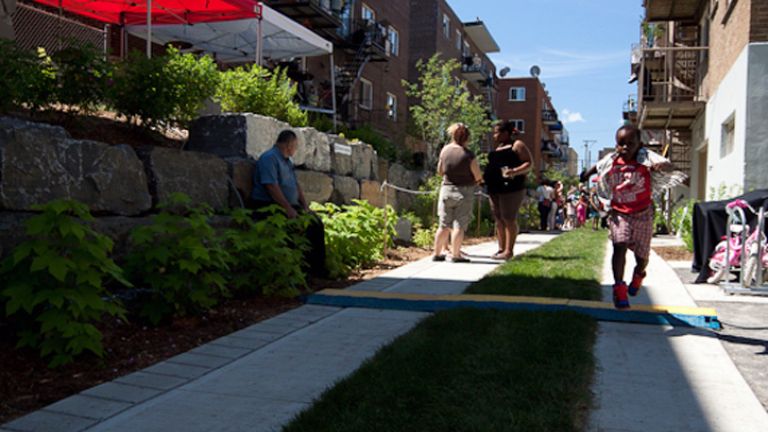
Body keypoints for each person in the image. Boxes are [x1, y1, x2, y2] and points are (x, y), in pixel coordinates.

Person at [580, 124, 672, 309]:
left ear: (640, 144)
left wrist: (661, 165)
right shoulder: (612, 160)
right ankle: (619, 288)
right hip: (619, 212)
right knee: (619, 245)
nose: (625, 148)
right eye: (621, 144)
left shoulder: (646, 156)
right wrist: (585, 175)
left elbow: (668, 165)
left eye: (630, 143)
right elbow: (597, 168)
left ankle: (639, 274)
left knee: (642, 257)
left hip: (643, 213)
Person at [251, 130, 327, 277]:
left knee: (316, 223)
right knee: (301, 228)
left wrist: (304, 206)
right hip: (269, 204)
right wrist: (288, 208)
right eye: (295, 145)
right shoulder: (269, 158)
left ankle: (318, 270)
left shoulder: (288, 161)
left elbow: (295, 185)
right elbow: (271, 186)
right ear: (288, 144)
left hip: (290, 205)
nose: (296, 149)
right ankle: (300, 272)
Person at [432, 123, 483, 263]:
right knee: (459, 225)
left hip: (446, 190)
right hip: (464, 192)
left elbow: (440, 171)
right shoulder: (469, 155)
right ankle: (456, 255)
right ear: (467, 138)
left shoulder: (445, 150)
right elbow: (478, 175)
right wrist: (479, 181)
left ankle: (437, 254)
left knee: (443, 224)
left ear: (452, 135)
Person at [483, 121, 533, 260]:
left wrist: (514, 171)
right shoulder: (498, 147)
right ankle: (501, 249)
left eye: (496, 132)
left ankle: (509, 251)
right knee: (498, 218)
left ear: (505, 133)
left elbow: (529, 163)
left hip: (512, 188)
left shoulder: (517, 145)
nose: (494, 135)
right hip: (494, 187)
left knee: (508, 218)